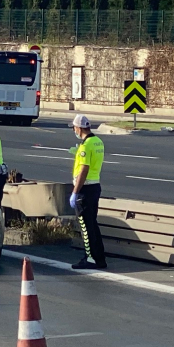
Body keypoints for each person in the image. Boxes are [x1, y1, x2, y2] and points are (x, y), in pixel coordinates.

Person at [69, 114, 107, 269]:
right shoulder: (97, 142)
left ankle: (89, 258)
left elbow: (84, 170)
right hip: (95, 186)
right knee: (93, 224)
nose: (74, 130)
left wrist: (75, 192)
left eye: (74, 128)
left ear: (79, 128)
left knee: (85, 227)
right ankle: (99, 258)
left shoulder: (85, 146)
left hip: (85, 189)